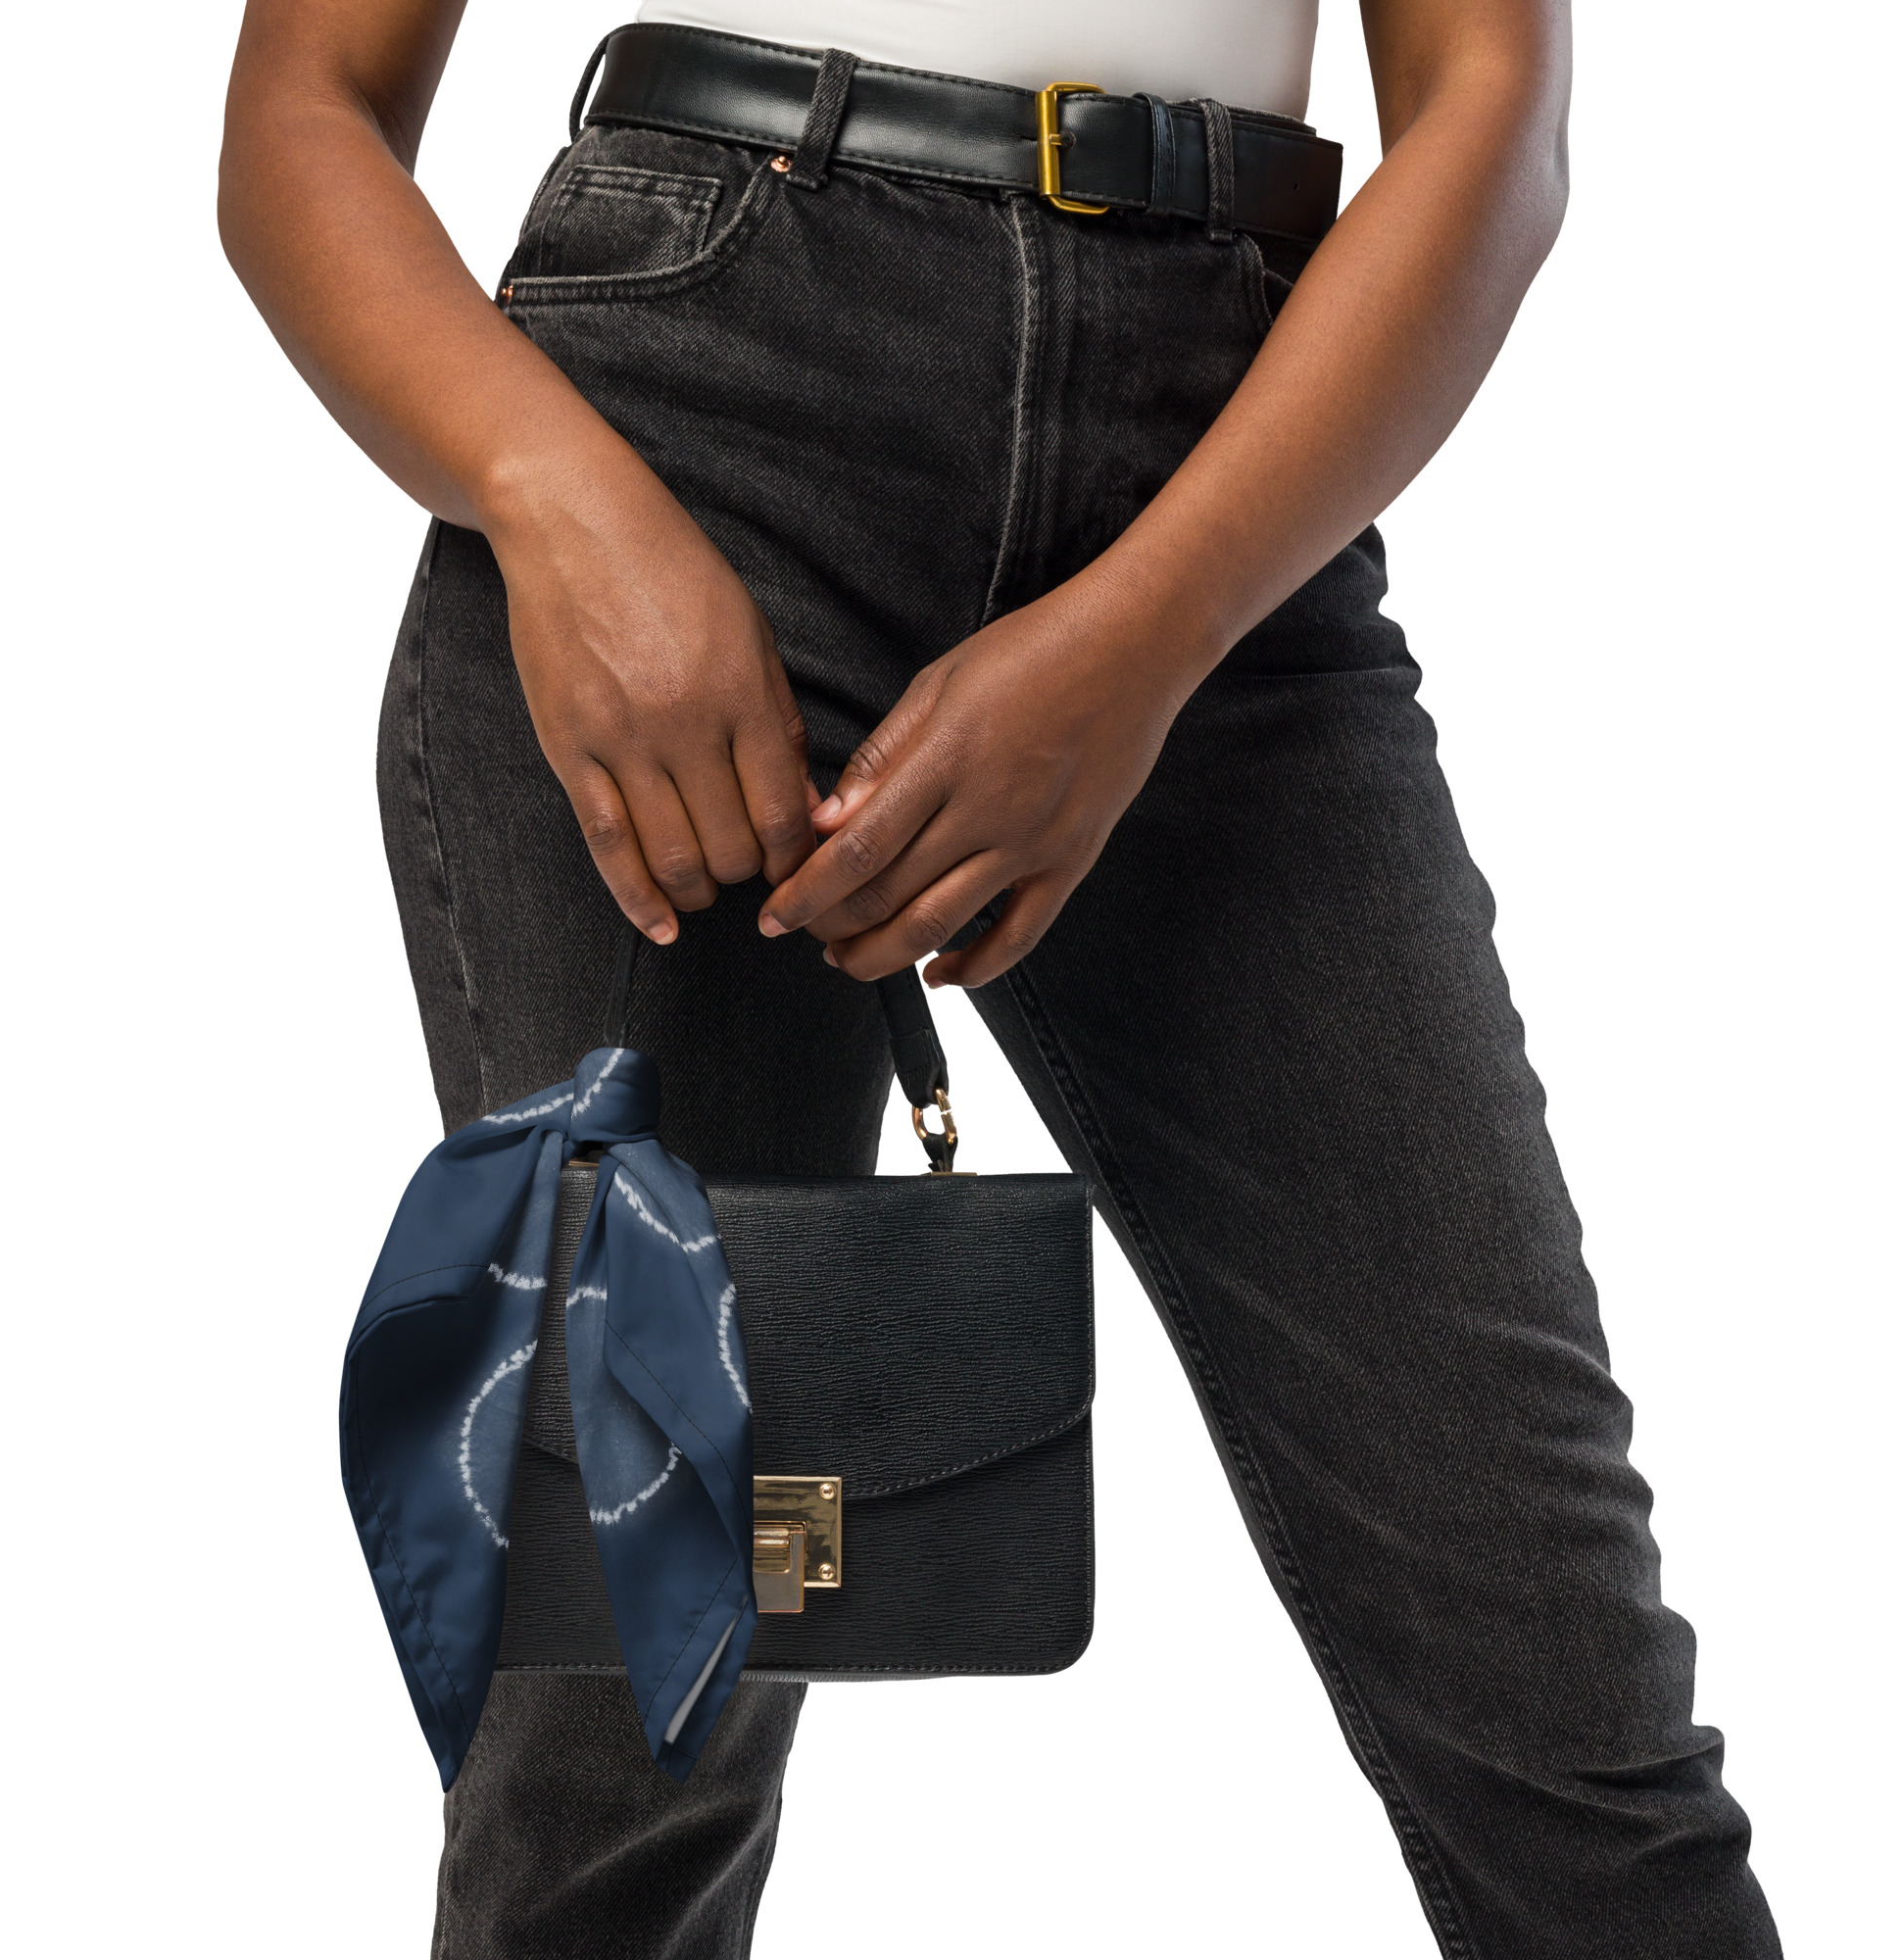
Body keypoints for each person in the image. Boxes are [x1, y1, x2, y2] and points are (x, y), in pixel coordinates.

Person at [219, 1, 1782, 1953]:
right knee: (623, 1746)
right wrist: (556, 502)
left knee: (1557, 1698)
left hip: (1230, 491)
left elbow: (1489, 109)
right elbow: (302, 110)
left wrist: (1151, 634)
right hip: (687, 472)